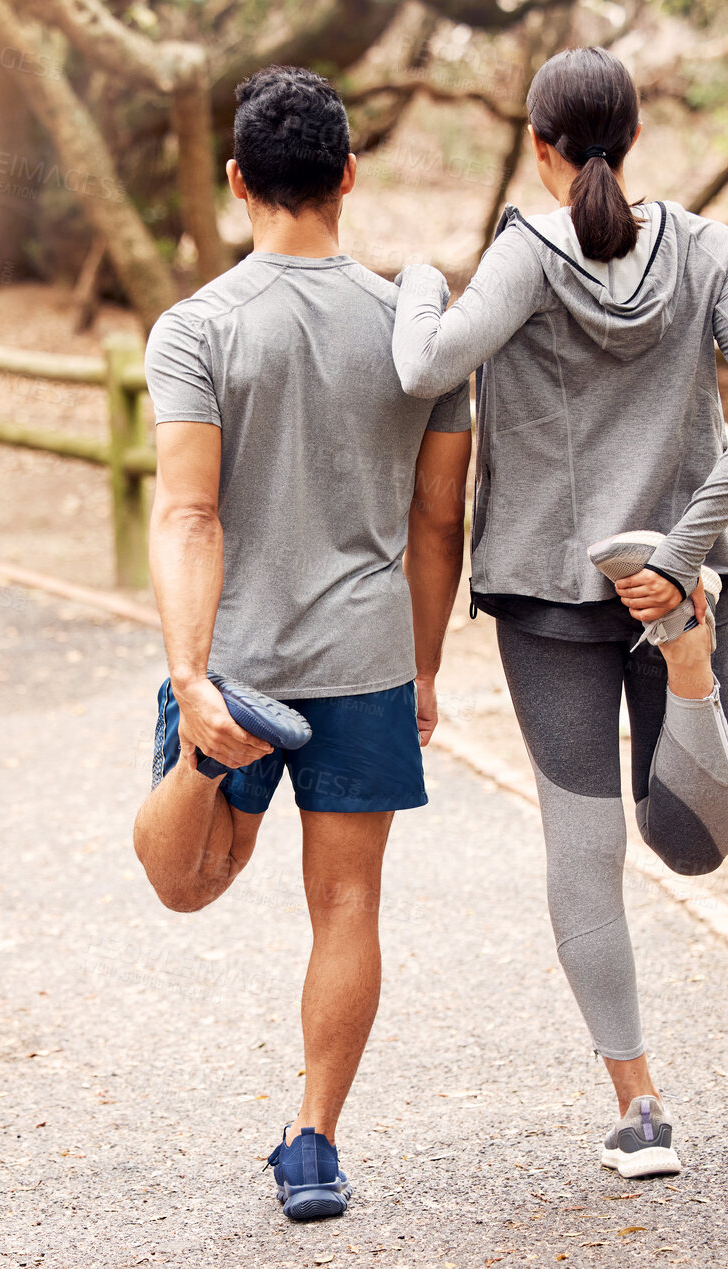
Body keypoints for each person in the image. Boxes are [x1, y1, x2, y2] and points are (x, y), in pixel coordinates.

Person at [390, 46, 728, 1180]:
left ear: (538, 145)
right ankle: (690, 674)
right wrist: (682, 555)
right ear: (635, 139)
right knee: (694, 843)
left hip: (547, 593)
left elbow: (424, 364)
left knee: (585, 850)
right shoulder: (714, 248)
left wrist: (423, 278)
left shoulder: (523, 254)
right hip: (681, 582)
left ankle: (638, 1105)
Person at [132, 65, 473, 1221]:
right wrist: (423, 666)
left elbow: (187, 510)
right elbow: (439, 521)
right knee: (347, 907)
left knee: (186, 884)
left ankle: (202, 758)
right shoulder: (419, 334)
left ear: (238, 182)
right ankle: (315, 1140)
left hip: (235, 656)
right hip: (365, 657)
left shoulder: (196, 329)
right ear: (347, 177)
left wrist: (192, 679)